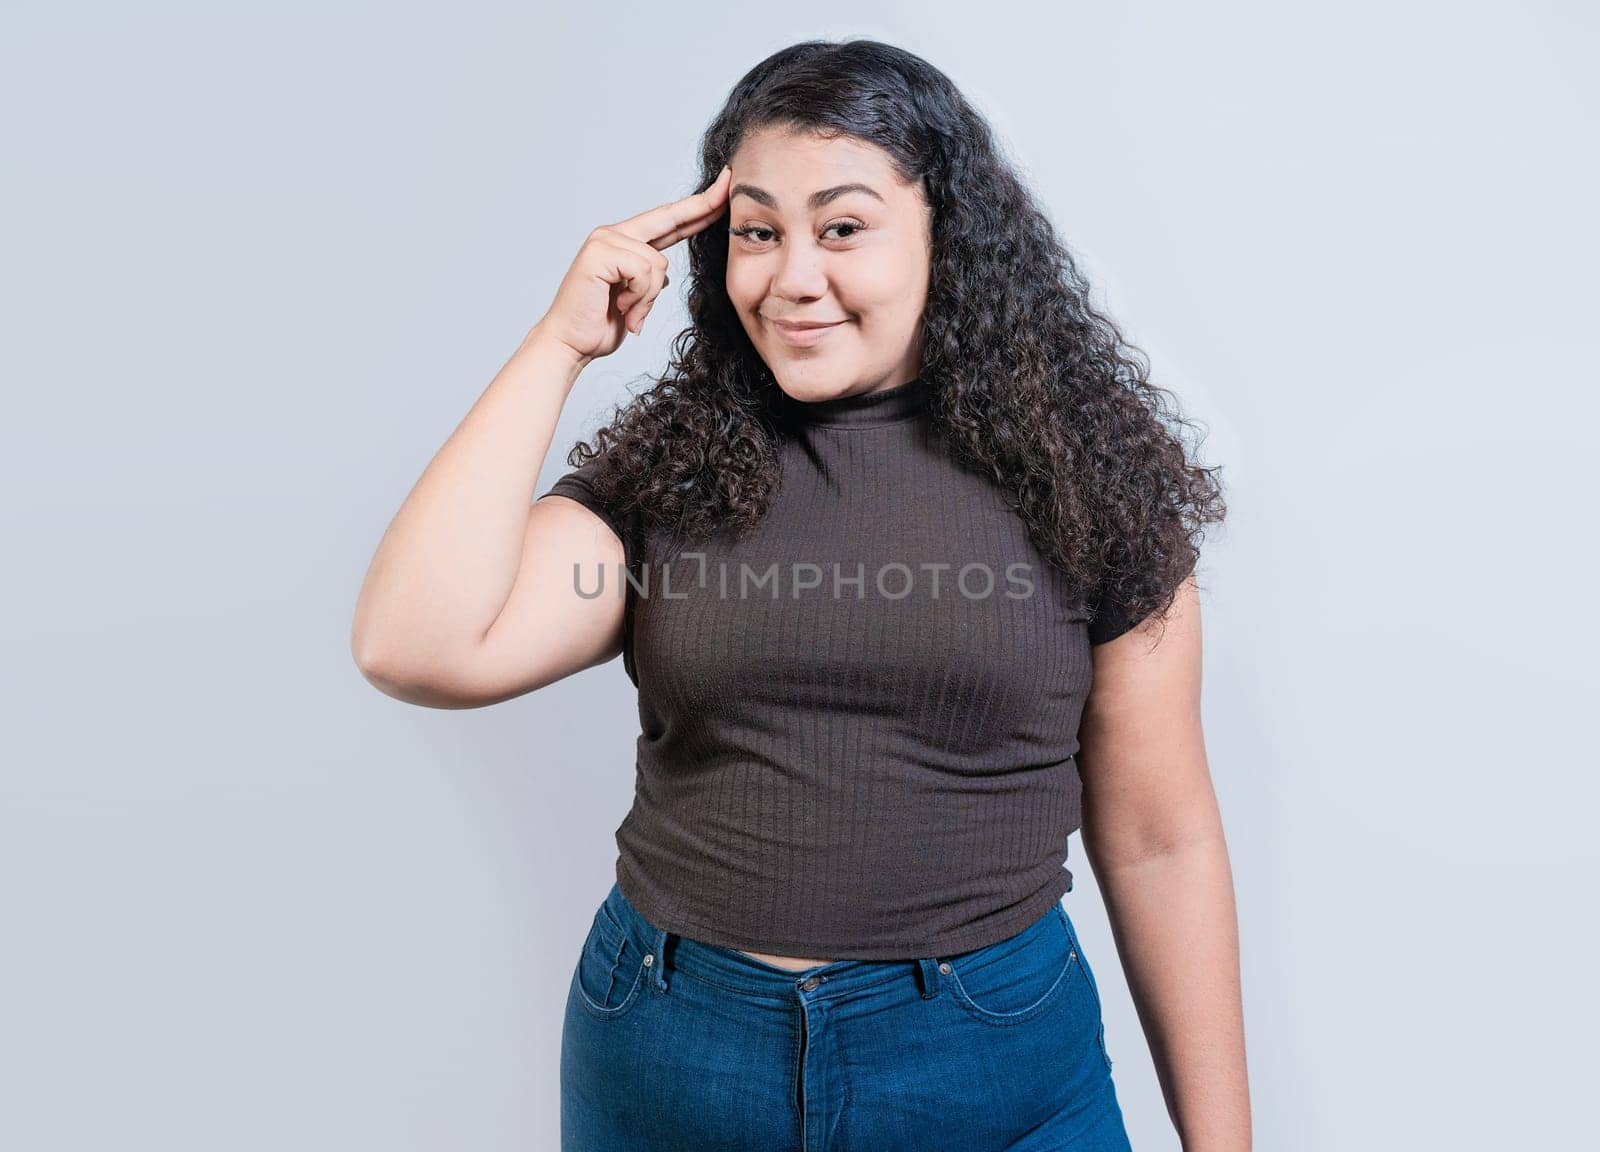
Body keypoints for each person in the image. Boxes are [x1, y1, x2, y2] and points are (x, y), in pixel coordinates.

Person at [351, 38, 1246, 1152]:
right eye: (757, 230)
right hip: (674, 1051)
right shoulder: (672, 472)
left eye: (842, 227)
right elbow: (416, 644)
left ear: (944, 239)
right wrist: (560, 342)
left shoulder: (1088, 483)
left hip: (986, 1057)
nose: (791, 277)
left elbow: (1161, 839)